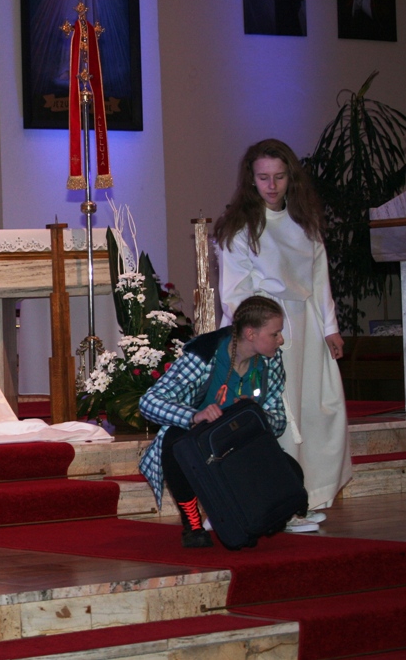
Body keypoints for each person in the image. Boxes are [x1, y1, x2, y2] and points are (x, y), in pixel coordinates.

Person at [214, 138, 351, 528]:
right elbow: (235, 293)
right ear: (250, 179)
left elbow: (319, 278)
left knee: (316, 411)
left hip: (306, 325)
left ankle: (304, 493)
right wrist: (259, 334)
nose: (271, 186)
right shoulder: (241, 227)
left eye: (279, 177)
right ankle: (276, 503)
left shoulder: (305, 221)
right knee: (278, 414)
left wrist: (330, 328)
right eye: (263, 178)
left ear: (291, 177)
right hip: (266, 328)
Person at [139, 296, 292, 548]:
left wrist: (255, 414)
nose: (281, 340)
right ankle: (192, 523)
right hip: (202, 444)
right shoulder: (204, 354)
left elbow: (278, 421)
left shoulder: (270, 362)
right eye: (275, 334)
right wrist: (193, 416)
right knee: (174, 440)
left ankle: (248, 517)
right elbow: (149, 402)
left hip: (241, 444)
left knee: (292, 473)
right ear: (251, 334)